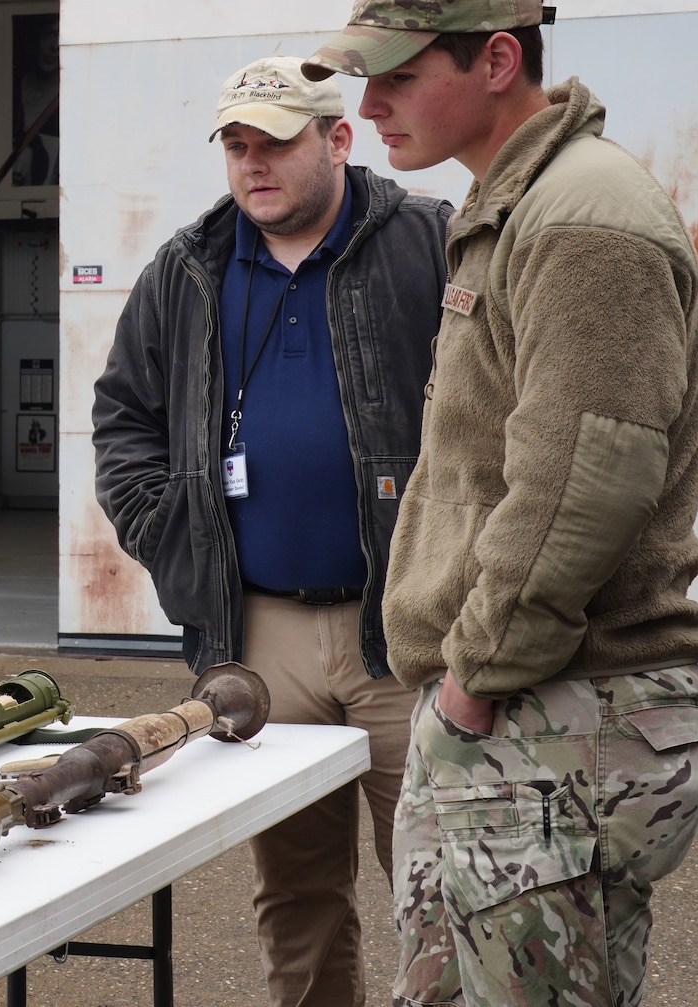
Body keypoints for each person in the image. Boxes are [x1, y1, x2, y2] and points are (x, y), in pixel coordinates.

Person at [304, 0, 698, 1005]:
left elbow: (586, 477)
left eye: (398, 73)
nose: (371, 101)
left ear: (493, 62)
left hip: (545, 708)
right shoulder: (514, 206)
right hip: (526, 708)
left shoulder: (580, 217)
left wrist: (475, 678)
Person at [92, 54, 450, 1007]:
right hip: (260, 637)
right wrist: (172, 531)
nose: (254, 165)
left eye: (276, 143)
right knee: (296, 891)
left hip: (405, 631)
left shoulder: (432, 245)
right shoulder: (187, 269)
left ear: (337, 139)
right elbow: (124, 415)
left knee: (440, 886)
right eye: (238, 146)